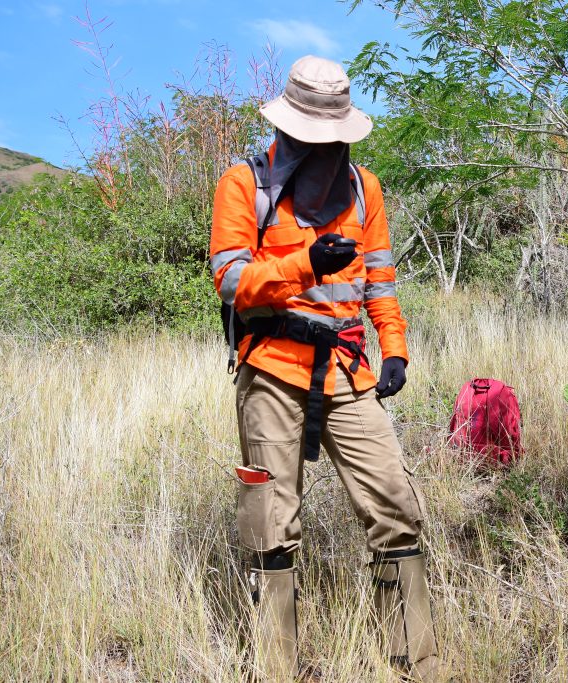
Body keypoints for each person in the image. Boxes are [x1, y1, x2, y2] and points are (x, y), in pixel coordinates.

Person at [210, 55, 442, 681]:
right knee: (271, 524)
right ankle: (274, 667)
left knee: (396, 506)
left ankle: (414, 664)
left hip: (347, 368)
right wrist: (304, 264)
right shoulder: (245, 184)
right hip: (274, 369)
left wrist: (394, 345)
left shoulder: (364, 188)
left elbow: (380, 278)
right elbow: (231, 281)